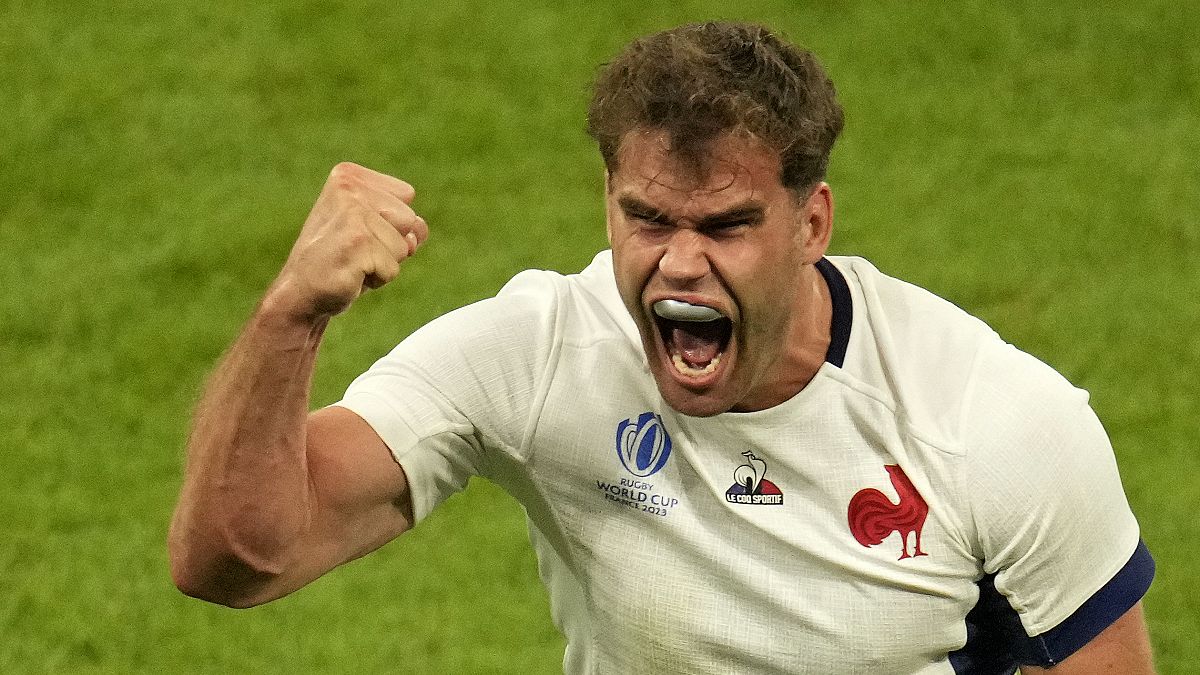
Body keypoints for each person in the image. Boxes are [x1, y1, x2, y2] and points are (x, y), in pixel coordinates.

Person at [168, 21, 1156, 674]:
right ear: (608, 202)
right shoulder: (540, 354)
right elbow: (239, 562)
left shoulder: (990, 419)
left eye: (725, 226)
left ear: (812, 223)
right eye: (648, 220)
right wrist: (290, 315)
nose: (680, 265)